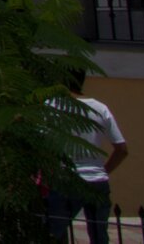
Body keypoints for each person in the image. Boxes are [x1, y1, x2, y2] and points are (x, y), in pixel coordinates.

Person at [46, 70, 128, 244]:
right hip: (97, 181)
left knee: (54, 232)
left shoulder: (50, 106)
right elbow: (122, 149)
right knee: (99, 236)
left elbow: (38, 143)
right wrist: (103, 170)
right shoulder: (100, 108)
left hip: (65, 180)